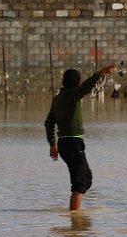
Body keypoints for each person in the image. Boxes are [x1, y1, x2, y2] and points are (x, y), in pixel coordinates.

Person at [45, 65, 115, 210]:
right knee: (79, 183)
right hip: (73, 143)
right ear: (77, 83)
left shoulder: (57, 99)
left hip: (64, 143)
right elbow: (85, 88)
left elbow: (49, 123)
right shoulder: (72, 95)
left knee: (86, 178)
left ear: (63, 82)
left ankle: (77, 215)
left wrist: (53, 145)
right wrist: (99, 74)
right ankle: (74, 220)